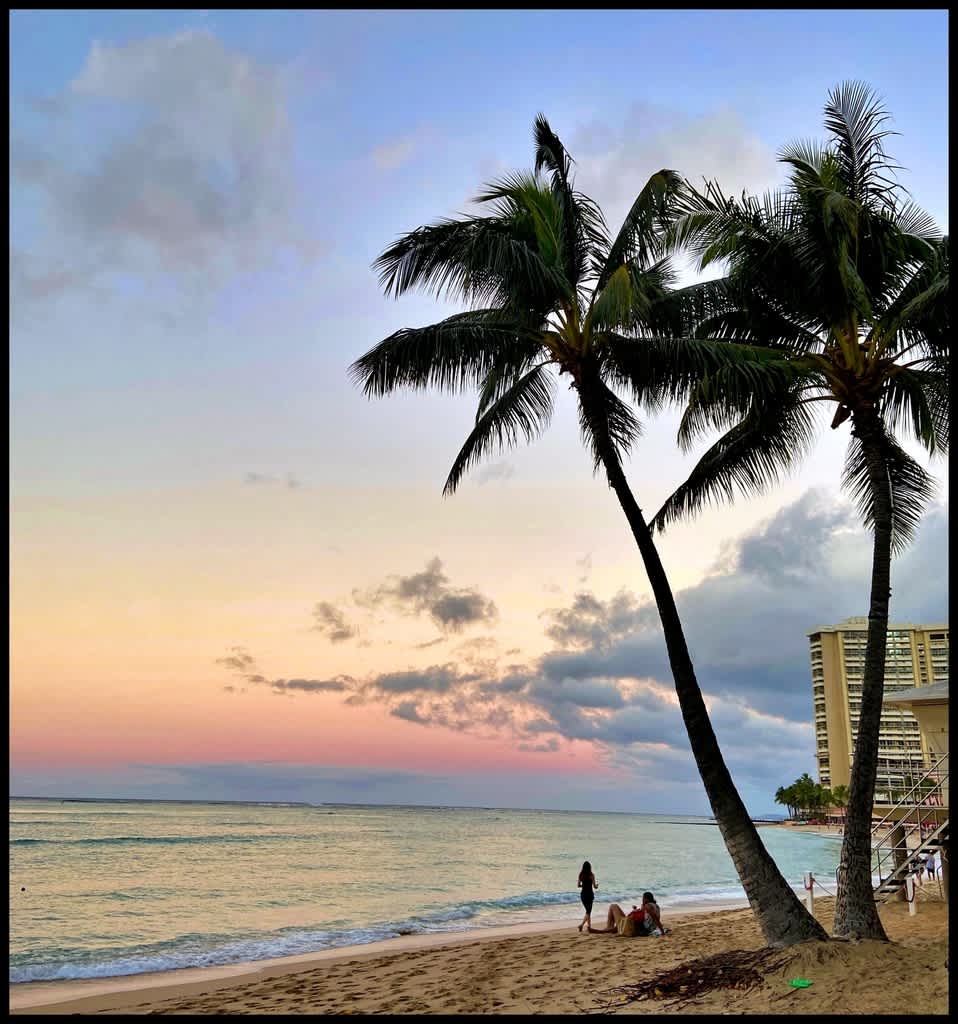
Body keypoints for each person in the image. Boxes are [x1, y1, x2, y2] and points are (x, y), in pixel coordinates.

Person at [588, 892, 670, 936]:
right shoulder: (656, 906)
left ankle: (605, 930)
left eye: (643, 898)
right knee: (619, 923)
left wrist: (662, 932)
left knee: (613, 906)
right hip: (644, 929)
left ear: (646, 899)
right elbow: (653, 919)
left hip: (640, 929)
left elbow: (654, 917)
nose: (642, 900)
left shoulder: (647, 906)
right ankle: (609, 928)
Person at [577, 860, 598, 932]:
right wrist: (597, 886)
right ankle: (582, 925)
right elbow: (595, 886)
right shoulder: (591, 875)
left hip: (583, 895)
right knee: (588, 912)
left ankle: (589, 927)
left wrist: (583, 885)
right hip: (589, 895)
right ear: (590, 867)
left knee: (588, 911)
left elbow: (578, 885)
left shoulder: (581, 875)